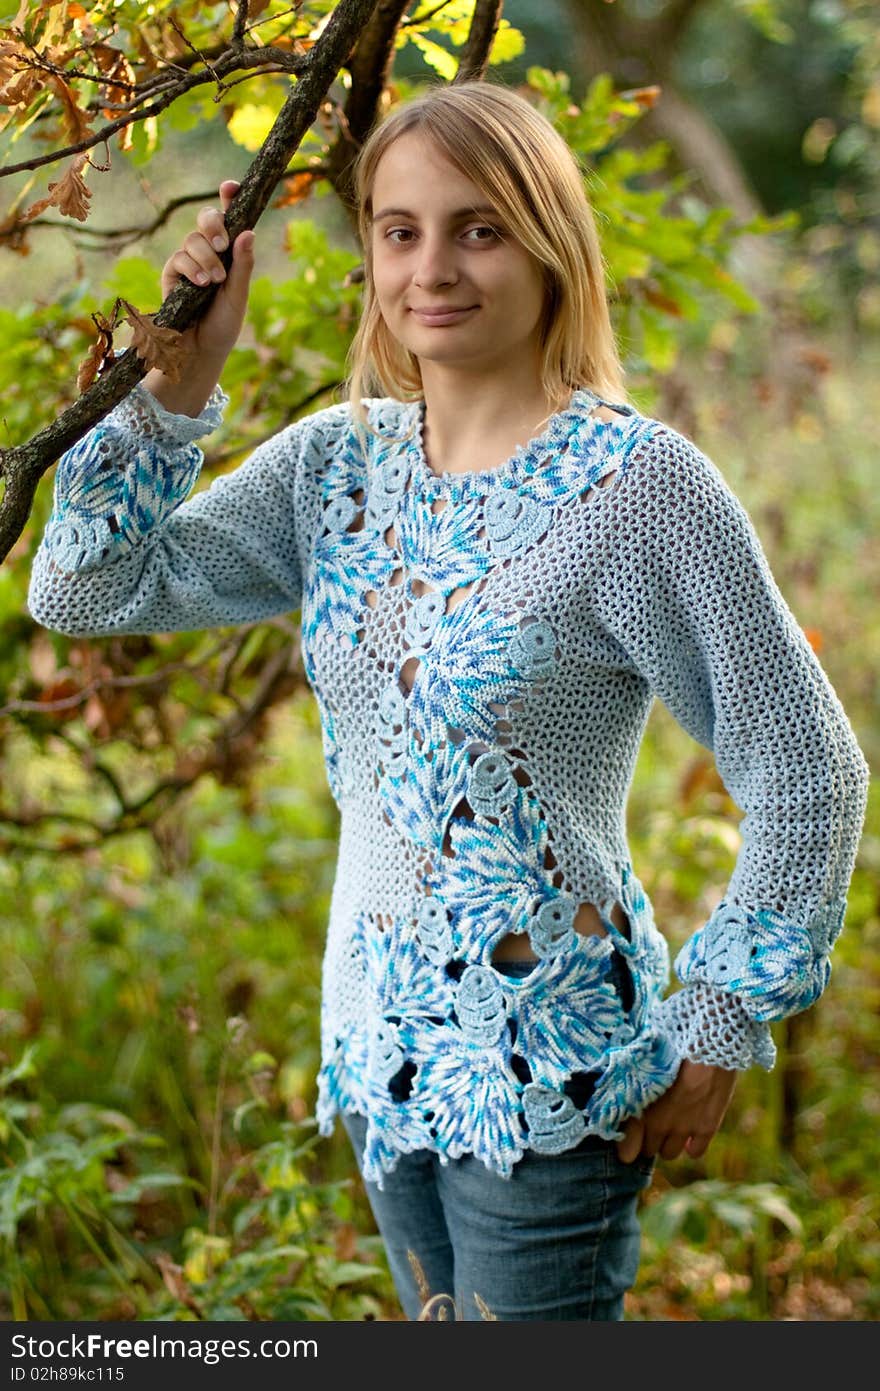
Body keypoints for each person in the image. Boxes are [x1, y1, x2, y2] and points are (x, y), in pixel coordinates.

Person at [27, 80, 869, 1322]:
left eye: (478, 228)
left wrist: (722, 1019)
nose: (434, 267)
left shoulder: (639, 492)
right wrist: (179, 384)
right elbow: (85, 586)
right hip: (381, 1055)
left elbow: (809, 769)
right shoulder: (336, 470)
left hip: (553, 1073)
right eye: (399, 229)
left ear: (547, 244)